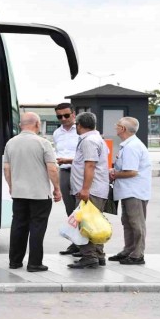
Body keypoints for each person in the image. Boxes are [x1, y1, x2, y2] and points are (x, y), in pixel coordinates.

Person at [2, 113, 62, 272]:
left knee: (18, 226)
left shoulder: (10, 143)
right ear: (37, 124)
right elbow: (52, 168)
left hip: (19, 193)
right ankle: (34, 263)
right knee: (37, 227)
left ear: (21, 125)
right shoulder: (43, 143)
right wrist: (57, 188)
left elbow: (6, 168)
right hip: (39, 194)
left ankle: (14, 261)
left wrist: (11, 185)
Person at [67, 112, 111, 269]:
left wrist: (85, 189)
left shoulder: (89, 141)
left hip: (90, 191)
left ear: (79, 125)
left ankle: (89, 256)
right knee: (95, 222)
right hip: (97, 189)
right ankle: (99, 255)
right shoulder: (97, 139)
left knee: (86, 223)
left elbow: (90, 165)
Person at [109, 117, 151, 265]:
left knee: (136, 223)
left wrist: (113, 174)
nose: (115, 127)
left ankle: (137, 254)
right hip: (128, 191)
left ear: (123, 129)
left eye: (117, 125)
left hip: (134, 191)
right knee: (127, 222)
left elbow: (131, 172)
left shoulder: (132, 147)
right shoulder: (128, 145)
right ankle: (129, 250)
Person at [52, 102, 80, 255]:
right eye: (59, 116)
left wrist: (69, 160)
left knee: (82, 209)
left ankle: (86, 246)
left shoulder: (81, 130)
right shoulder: (57, 133)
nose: (63, 118)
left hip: (80, 172)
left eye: (66, 115)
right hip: (64, 172)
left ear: (73, 115)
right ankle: (75, 243)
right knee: (70, 210)